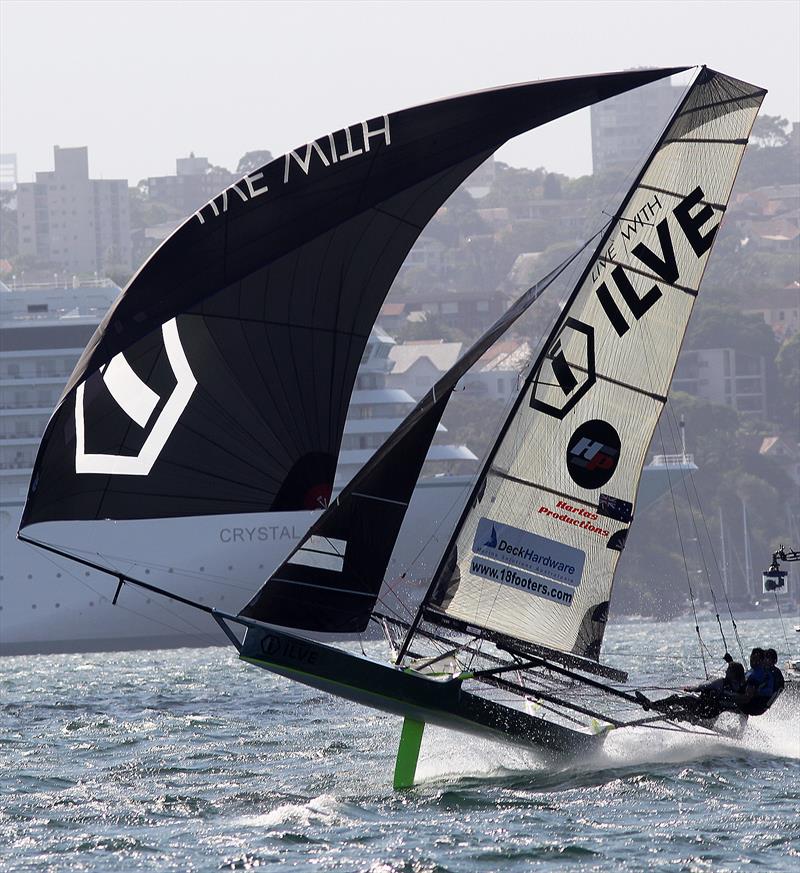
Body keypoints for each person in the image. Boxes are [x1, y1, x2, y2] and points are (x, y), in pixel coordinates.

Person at [735, 647, 775, 716]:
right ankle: (742, 726)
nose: (753, 661)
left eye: (756, 659)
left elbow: (747, 696)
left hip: (752, 705)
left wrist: (730, 696)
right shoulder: (759, 671)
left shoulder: (759, 674)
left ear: (762, 660)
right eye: (752, 658)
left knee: (721, 696)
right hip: (757, 705)